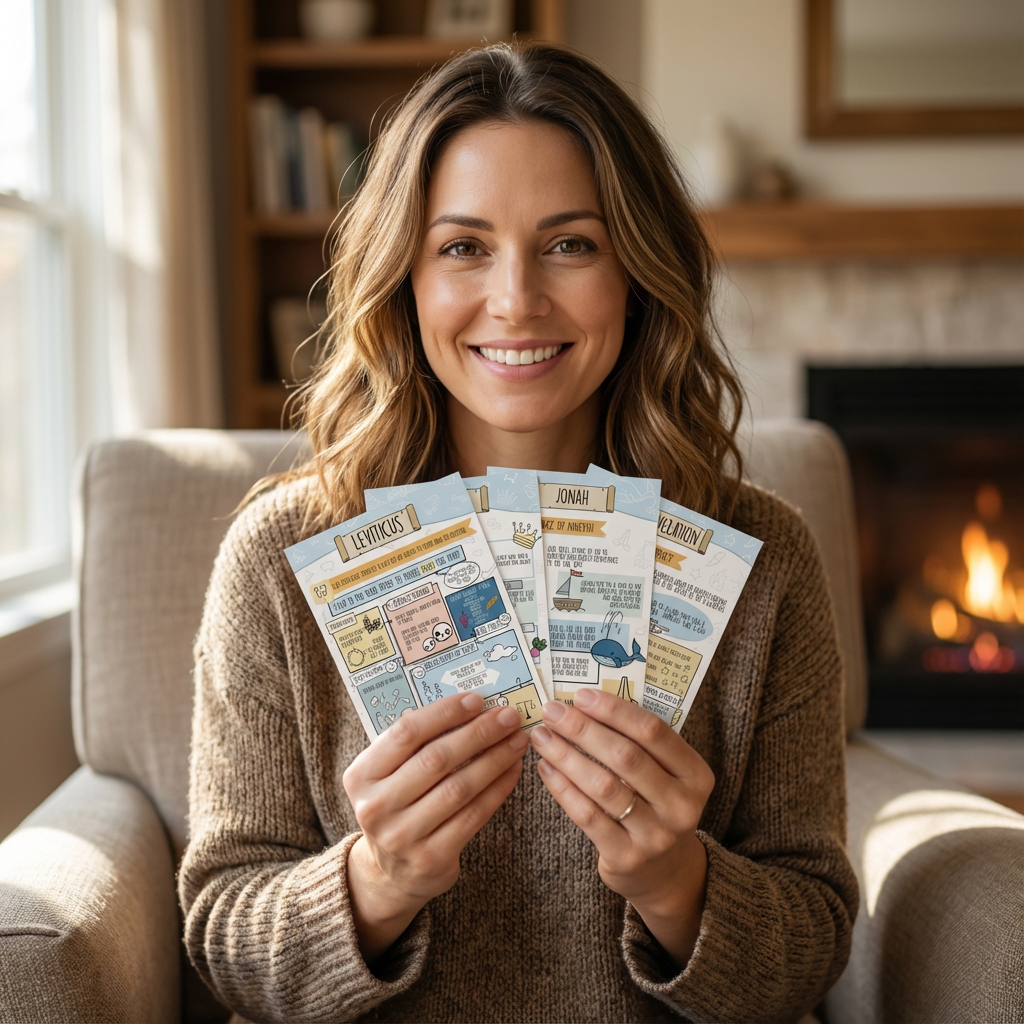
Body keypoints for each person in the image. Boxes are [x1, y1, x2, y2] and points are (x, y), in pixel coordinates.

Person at [179, 42, 858, 1024]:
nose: (516, 300)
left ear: (635, 267)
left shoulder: (758, 556)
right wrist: (376, 883)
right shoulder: (279, 560)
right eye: (462, 246)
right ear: (402, 276)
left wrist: (676, 880)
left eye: (570, 243)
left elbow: (814, 943)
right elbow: (221, 937)